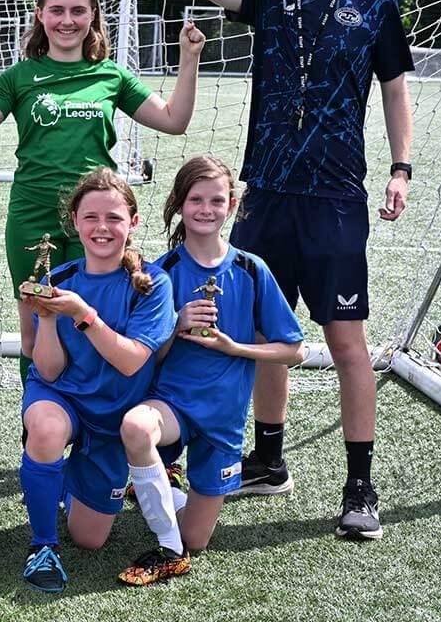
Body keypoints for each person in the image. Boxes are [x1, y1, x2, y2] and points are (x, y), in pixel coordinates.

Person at [180, 0, 414, 539]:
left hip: (336, 198)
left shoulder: (376, 2)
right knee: (258, 335)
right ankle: (270, 458)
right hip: (267, 197)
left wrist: (401, 167)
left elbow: (396, 87)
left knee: (345, 343)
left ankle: (360, 486)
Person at [0, 0, 204, 386]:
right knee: (37, 322)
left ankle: (93, 416)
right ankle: (40, 424)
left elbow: (175, 120)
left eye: (77, 11)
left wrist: (189, 59)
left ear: (92, 18)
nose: (67, 20)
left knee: (94, 316)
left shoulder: (110, 75)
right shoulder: (19, 76)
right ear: (40, 16)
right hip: (33, 212)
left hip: (96, 218)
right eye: (57, 10)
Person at [117, 156, 303, 585]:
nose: (205, 208)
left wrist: (234, 347)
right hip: (171, 407)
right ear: (179, 204)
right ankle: (167, 548)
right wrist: (174, 323)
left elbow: (292, 350)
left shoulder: (251, 270)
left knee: (197, 538)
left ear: (232, 205)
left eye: (216, 200)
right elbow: (143, 357)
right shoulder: (160, 274)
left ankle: (161, 490)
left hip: (222, 420)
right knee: (136, 428)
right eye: (195, 199)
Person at [17, 167, 177, 593]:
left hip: (113, 415)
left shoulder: (153, 284)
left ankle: (64, 481)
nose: (101, 228)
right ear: (74, 221)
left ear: (133, 222)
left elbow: (131, 363)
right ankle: (42, 547)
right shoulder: (60, 280)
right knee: (47, 428)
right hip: (61, 397)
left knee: (90, 539)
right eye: (90, 217)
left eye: (113, 217)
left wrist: (82, 314)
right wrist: (48, 317)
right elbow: (48, 370)